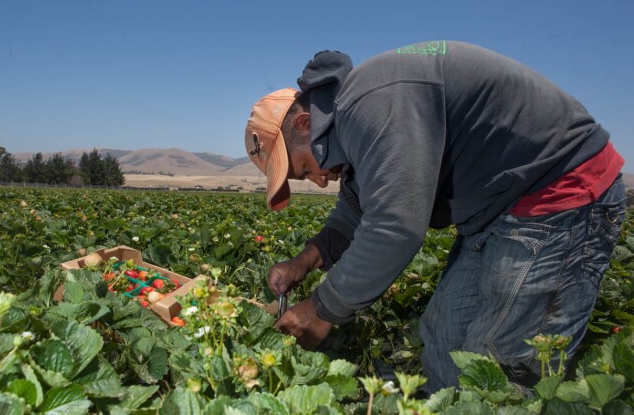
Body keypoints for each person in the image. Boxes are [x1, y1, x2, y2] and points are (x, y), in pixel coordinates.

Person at [244, 41, 626, 394]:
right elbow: (354, 211)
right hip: (498, 210)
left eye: (304, 169)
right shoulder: (350, 126)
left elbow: (394, 228)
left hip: (559, 196)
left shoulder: (372, 105)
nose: (319, 181)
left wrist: (318, 310)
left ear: (305, 125)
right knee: (445, 339)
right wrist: (302, 263)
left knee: (499, 367)